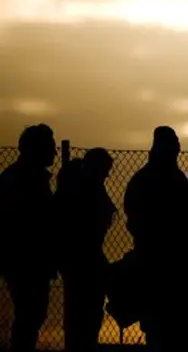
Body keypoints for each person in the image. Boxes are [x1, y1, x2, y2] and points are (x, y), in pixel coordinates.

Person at [124, 127, 188, 352]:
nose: (176, 148)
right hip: (161, 260)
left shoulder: (157, 178)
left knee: (168, 322)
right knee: (163, 322)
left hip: (170, 259)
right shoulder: (160, 179)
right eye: (172, 144)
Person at [0, 124, 57, 352]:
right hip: (26, 259)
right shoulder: (26, 180)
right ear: (37, 149)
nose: (54, 153)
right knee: (30, 314)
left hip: (25, 258)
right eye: (50, 147)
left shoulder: (20, 177)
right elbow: (31, 224)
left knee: (30, 315)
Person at [56, 149, 115, 352]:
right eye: (105, 170)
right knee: (84, 311)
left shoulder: (85, 186)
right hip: (83, 258)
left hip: (82, 257)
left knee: (81, 310)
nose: (106, 175)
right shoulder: (85, 189)